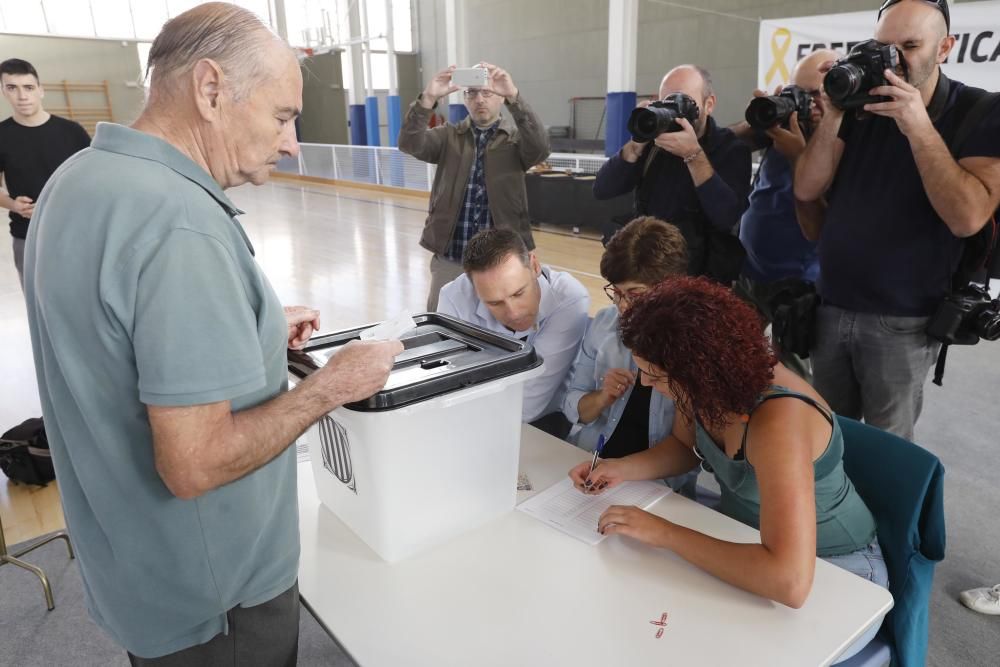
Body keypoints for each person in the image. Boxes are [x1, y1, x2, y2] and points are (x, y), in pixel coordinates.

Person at [23, 4, 402, 664]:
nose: (291, 143)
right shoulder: (179, 224)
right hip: (216, 600)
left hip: (135, 565)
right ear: (210, 89)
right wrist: (332, 387)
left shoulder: (79, 180)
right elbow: (194, 463)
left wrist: (246, 326)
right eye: (283, 116)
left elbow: (111, 332)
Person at [569, 277, 887, 663]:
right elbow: (685, 449)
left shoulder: (777, 420)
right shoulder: (705, 392)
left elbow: (789, 581)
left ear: (700, 369)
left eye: (655, 375)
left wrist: (664, 532)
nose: (647, 384)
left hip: (837, 568)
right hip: (746, 541)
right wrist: (620, 469)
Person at [794, 0, 1000, 440]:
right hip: (831, 305)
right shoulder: (858, 108)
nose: (893, 59)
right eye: (882, 46)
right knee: (826, 439)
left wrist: (917, 124)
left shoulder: (980, 110)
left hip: (904, 320)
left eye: (909, 46)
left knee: (887, 450)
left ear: (944, 48)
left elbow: (968, 217)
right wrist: (833, 114)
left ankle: (885, 513)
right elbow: (807, 190)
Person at [398, 62, 550, 310]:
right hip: (452, 254)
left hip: (503, 257)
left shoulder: (515, 141)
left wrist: (515, 97)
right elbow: (409, 143)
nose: (480, 99)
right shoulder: (448, 137)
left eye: (487, 93)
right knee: (441, 320)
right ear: (465, 99)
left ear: (500, 98)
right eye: (472, 93)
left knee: (506, 320)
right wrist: (428, 98)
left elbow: (541, 148)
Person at [561, 216, 695, 495]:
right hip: (591, 463)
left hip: (657, 486)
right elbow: (572, 402)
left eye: (634, 294)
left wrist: (619, 469)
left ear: (671, 287)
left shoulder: (692, 344)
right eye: (616, 293)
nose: (623, 306)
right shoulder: (605, 323)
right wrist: (601, 398)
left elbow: (688, 450)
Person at [730, 49, 839, 383]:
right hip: (749, 269)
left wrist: (799, 153)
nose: (810, 104)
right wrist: (761, 118)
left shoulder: (846, 138)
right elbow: (726, 145)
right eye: (801, 93)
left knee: (789, 379)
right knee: (728, 355)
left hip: (799, 283)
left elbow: (823, 212)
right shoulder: (783, 127)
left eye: (819, 94)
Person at [593, 64, 752, 283]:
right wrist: (636, 144)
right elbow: (602, 189)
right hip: (646, 274)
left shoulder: (731, 149)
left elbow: (726, 217)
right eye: (667, 102)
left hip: (701, 281)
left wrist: (693, 156)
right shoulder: (653, 144)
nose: (675, 112)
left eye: (683, 102)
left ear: (709, 104)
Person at [438, 228, 589, 437]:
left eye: (518, 293)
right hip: (471, 419)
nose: (514, 312)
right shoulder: (454, 297)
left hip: (546, 420)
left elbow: (529, 404)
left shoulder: (570, 299)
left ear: (534, 265)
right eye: (494, 302)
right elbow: (448, 384)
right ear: (474, 290)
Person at [0, 58, 90, 290]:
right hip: (27, 235)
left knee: (83, 297)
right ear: (3, 92)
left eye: (28, 88)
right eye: (12, 88)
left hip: (75, 231)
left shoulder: (72, 132)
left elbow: (93, 181)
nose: (22, 96)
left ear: (40, 91)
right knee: (38, 302)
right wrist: (13, 205)